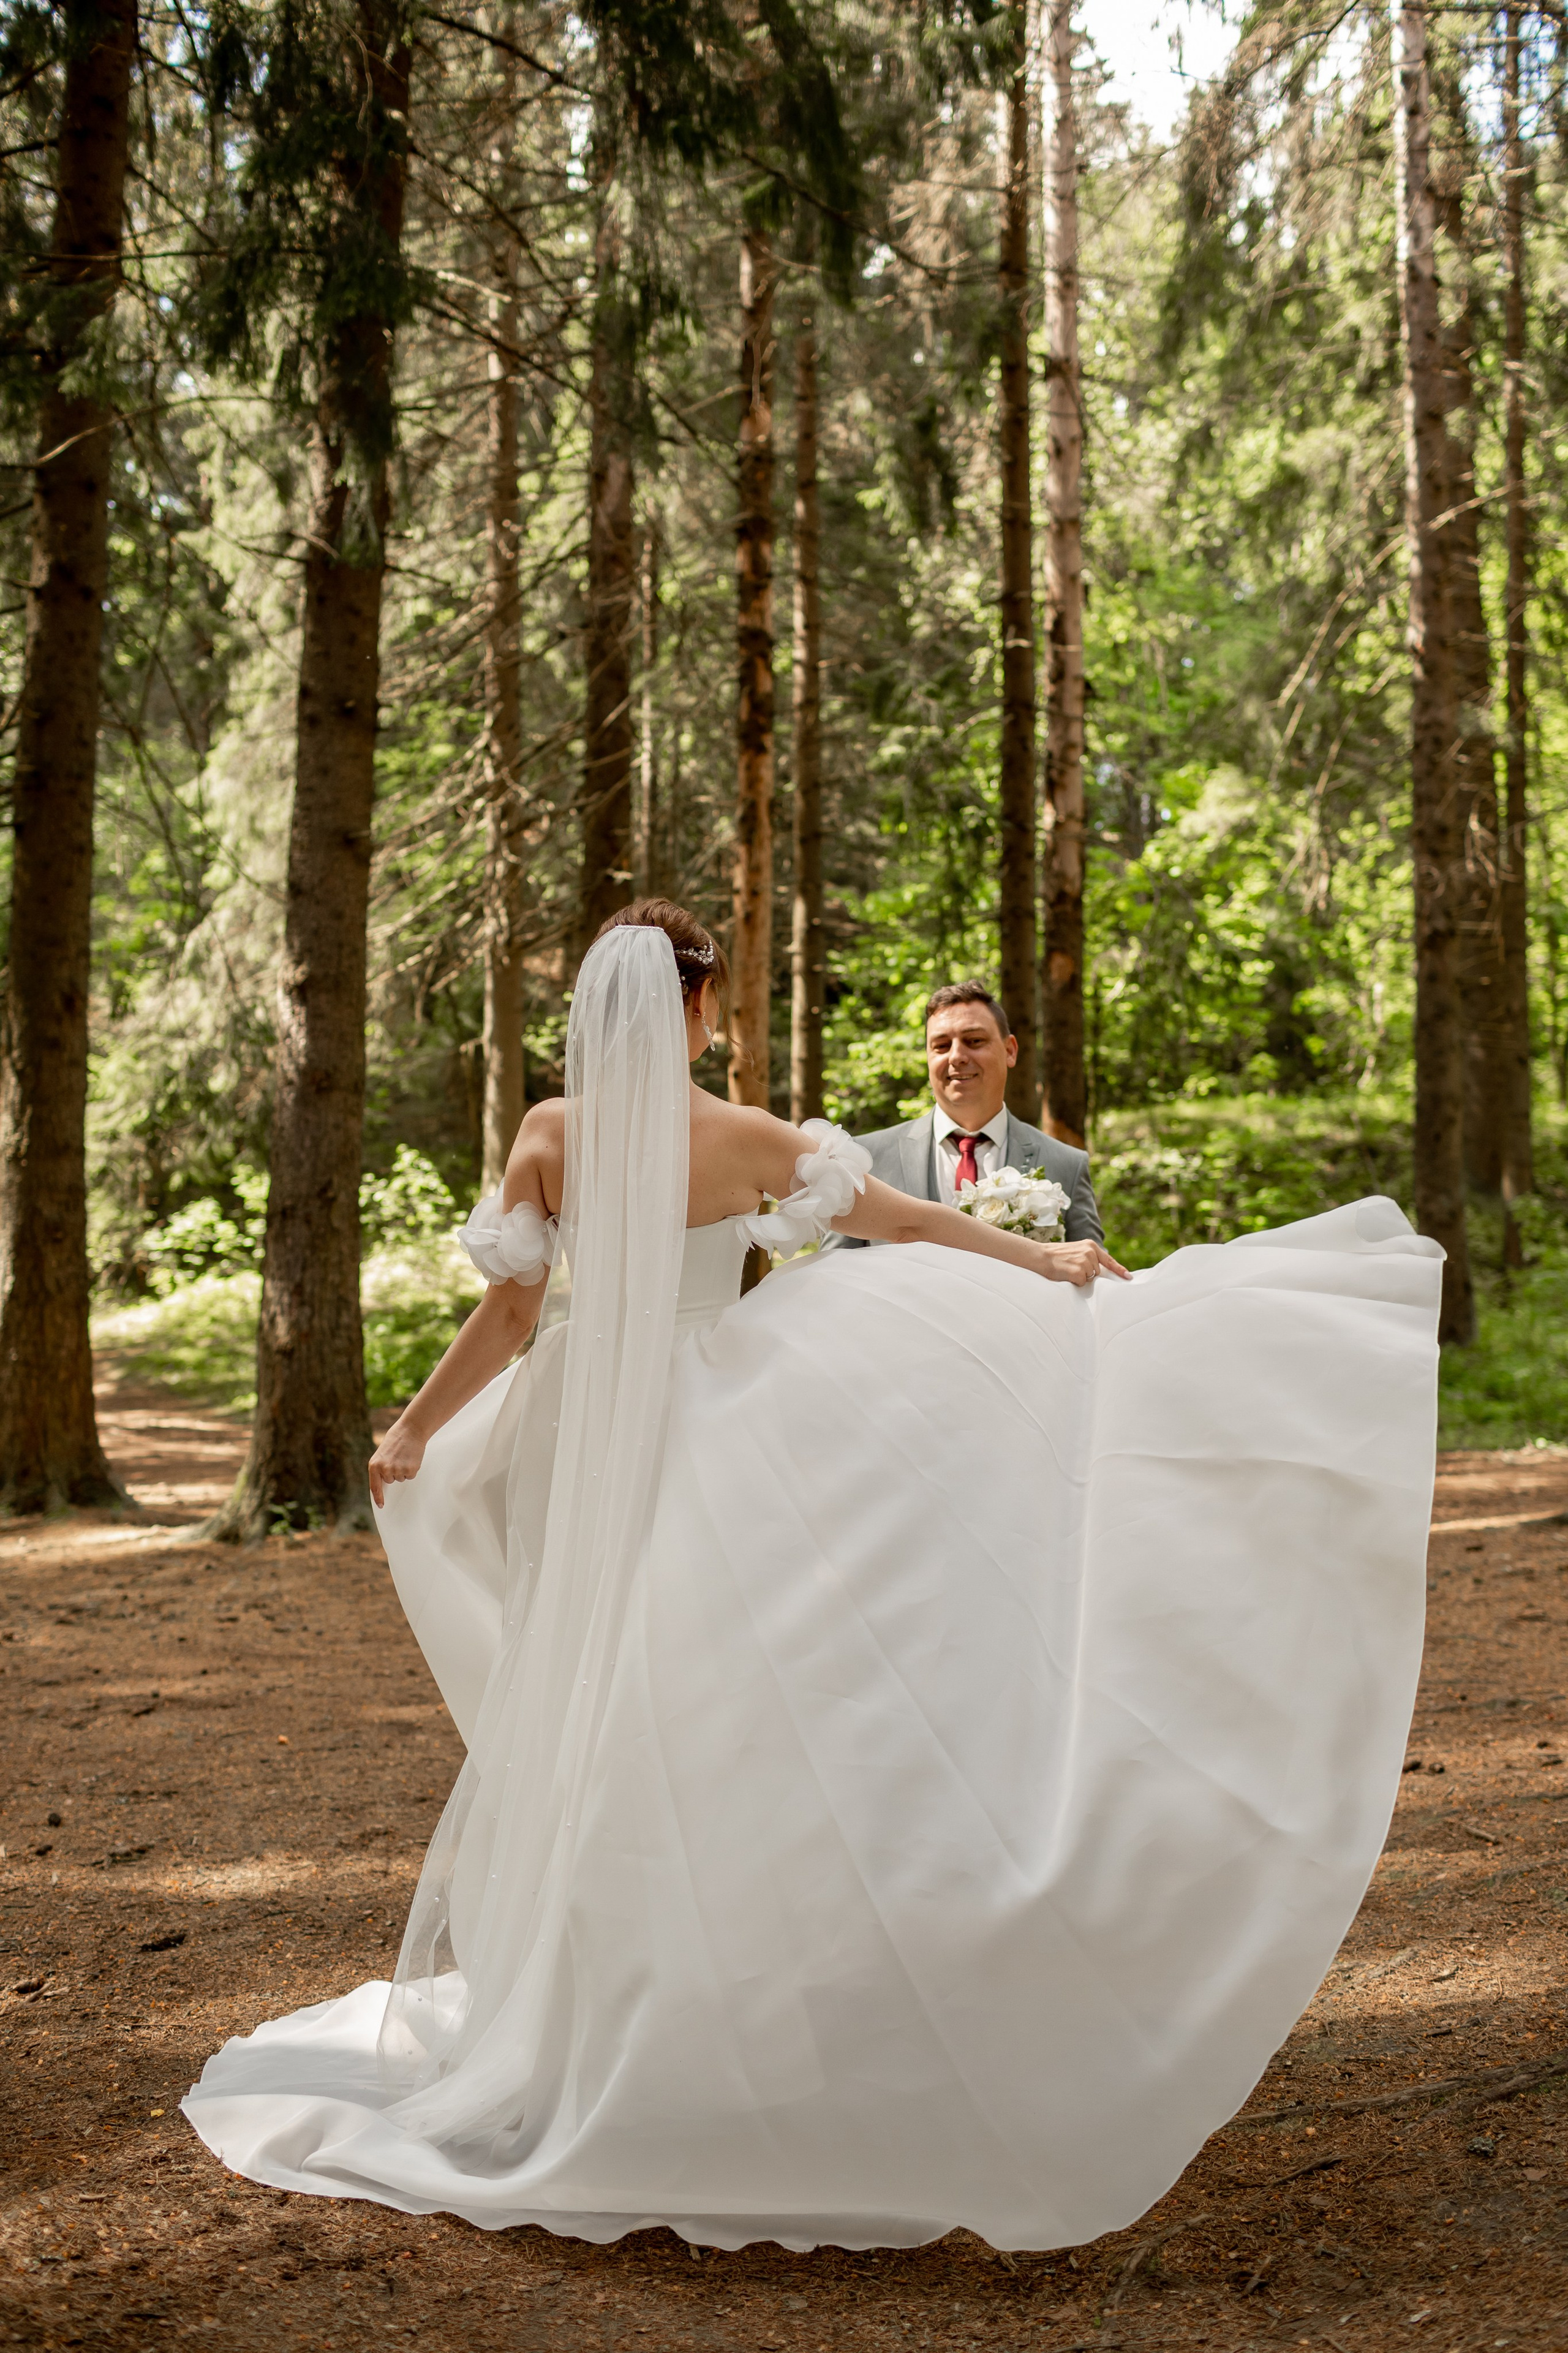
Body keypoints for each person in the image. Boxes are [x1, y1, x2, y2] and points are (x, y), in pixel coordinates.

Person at [183, 899, 1442, 2257]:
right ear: (700, 999)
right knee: (724, 1702)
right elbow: (897, 1224)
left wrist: (416, 1426)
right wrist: (1043, 1261)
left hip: (581, 1440)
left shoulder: (549, 1132)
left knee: (602, 1705)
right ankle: (738, 1994)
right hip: (709, 1428)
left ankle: (613, 1992)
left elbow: (510, 1310)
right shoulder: (741, 1136)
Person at [830, 981, 1101, 1248]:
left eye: (974, 1041)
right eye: (941, 1046)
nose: (957, 1056)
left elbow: (1094, 1276)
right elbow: (834, 1275)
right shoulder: (863, 1158)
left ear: (1010, 1050)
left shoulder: (1068, 1165)